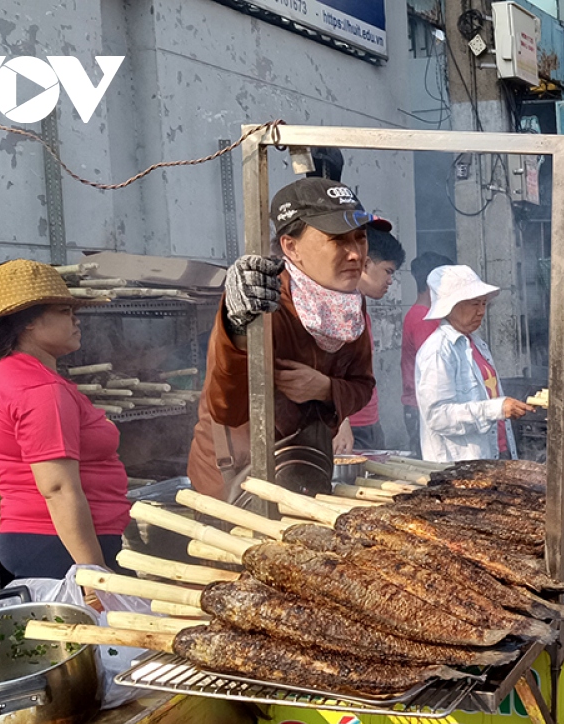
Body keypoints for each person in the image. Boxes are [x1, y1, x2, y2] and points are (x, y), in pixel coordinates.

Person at [188, 177, 382, 500]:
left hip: (304, 469)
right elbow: (227, 409)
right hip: (234, 480)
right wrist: (236, 327)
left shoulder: (349, 305)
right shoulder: (261, 299)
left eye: (360, 238)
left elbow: (362, 386)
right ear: (291, 247)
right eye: (338, 240)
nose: (355, 254)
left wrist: (324, 387)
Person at [0, 260, 131, 578]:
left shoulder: (21, 373)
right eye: (64, 312)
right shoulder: (40, 389)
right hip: (59, 546)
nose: (76, 321)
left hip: (51, 542)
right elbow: (58, 489)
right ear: (28, 322)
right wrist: (92, 571)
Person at [415, 265, 532, 461]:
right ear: (450, 306)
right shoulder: (437, 350)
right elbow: (437, 416)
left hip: (492, 451)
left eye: (484, 304)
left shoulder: (477, 342)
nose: (481, 312)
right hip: (459, 464)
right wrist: (496, 409)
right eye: (474, 304)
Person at [336, 226, 404, 453]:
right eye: (388, 271)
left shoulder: (359, 306)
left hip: (368, 420)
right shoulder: (338, 307)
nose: (390, 280)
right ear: (365, 264)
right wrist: (340, 421)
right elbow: (330, 368)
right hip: (350, 427)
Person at [397, 251, 454, 457]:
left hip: (419, 406)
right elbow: (437, 370)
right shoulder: (424, 318)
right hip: (422, 408)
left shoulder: (424, 315)